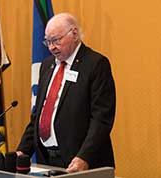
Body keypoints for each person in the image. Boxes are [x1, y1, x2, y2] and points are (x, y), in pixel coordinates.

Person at [16, 13, 116, 173]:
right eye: (47, 41)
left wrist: (84, 157)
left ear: (74, 34)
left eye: (56, 40)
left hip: (81, 163)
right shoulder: (47, 65)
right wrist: (22, 151)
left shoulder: (95, 64)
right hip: (46, 160)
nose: (51, 47)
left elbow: (101, 119)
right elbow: (38, 116)